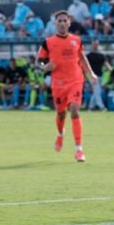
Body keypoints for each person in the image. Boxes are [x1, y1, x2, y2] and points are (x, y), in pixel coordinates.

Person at [36, 10, 98, 162]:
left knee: (75, 111)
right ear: (55, 23)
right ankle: (60, 134)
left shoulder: (76, 40)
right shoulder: (48, 42)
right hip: (58, 84)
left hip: (76, 81)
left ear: (69, 23)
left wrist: (91, 73)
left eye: (65, 21)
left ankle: (78, 149)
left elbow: (82, 57)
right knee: (61, 114)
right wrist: (45, 67)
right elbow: (39, 62)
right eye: (60, 21)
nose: (63, 23)